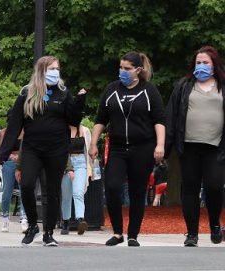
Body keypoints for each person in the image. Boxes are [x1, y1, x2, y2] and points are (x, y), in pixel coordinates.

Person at [0, 56, 86, 246]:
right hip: (32, 148)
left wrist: (79, 102)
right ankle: (32, 225)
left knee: (52, 191)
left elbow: (73, 120)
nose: (55, 72)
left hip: (57, 148)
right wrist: (4, 152)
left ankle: (48, 233)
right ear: (41, 71)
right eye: (51, 69)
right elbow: (14, 124)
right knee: (27, 185)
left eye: (57, 68)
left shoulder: (63, 93)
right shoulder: (26, 93)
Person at [89, 52, 165, 247]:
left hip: (143, 148)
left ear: (138, 70)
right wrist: (93, 143)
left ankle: (133, 235)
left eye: (127, 69)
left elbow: (159, 121)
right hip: (117, 148)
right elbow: (100, 120)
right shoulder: (111, 90)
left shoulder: (149, 91)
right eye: (121, 67)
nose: (122, 71)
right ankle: (117, 232)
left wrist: (160, 145)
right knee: (113, 187)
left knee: (137, 192)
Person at [165, 46, 225, 247]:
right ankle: (191, 233)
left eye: (205, 62)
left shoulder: (222, 85)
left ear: (214, 64)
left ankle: (215, 224)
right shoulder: (183, 86)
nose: (201, 66)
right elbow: (171, 117)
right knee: (189, 189)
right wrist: (165, 147)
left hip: (216, 147)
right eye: (198, 62)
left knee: (214, 187)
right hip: (189, 146)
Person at [60, 125, 93, 235]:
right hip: (65, 163)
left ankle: (80, 220)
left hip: (80, 163)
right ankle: (66, 222)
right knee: (66, 196)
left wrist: (91, 169)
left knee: (78, 193)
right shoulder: (62, 130)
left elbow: (88, 150)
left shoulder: (84, 130)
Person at [0, 128, 28, 232]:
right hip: (9, 162)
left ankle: (24, 218)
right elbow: (2, 148)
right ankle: (5, 218)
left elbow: (27, 147)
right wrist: (10, 155)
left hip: (23, 162)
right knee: (7, 191)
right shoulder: (4, 132)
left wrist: (19, 157)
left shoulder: (26, 131)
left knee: (24, 190)